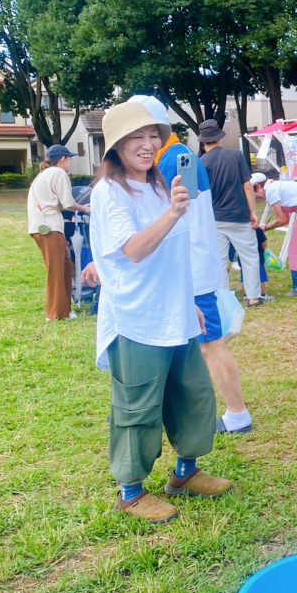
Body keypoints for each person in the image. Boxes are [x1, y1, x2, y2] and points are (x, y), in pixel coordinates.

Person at [89, 101, 232, 524]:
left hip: (176, 313)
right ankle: (131, 491)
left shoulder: (155, 185)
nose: (148, 144)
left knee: (194, 396)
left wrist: (190, 302)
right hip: (137, 318)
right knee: (138, 407)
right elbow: (134, 250)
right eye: (137, 137)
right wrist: (173, 212)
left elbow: (173, 255)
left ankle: (185, 474)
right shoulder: (109, 192)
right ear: (115, 145)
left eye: (153, 135)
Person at [131, 94, 259, 436]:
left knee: (210, 344)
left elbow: (174, 221)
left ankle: (237, 413)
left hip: (192, 273)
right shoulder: (179, 156)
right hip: (193, 269)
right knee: (200, 346)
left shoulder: (175, 160)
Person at [199, 118, 266, 306]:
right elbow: (247, 186)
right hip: (239, 216)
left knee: (219, 260)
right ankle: (253, 297)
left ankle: (223, 298)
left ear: (203, 142)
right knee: (249, 257)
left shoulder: (200, 163)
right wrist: (253, 212)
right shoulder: (235, 156)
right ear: (219, 138)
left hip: (215, 219)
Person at [27, 144, 89, 321]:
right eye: (69, 158)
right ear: (63, 159)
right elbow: (68, 202)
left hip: (44, 226)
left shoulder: (45, 174)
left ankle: (64, 310)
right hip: (48, 228)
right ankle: (55, 314)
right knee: (56, 270)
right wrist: (85, 208)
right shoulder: (59, 173)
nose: (70, 163)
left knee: (66, 266)